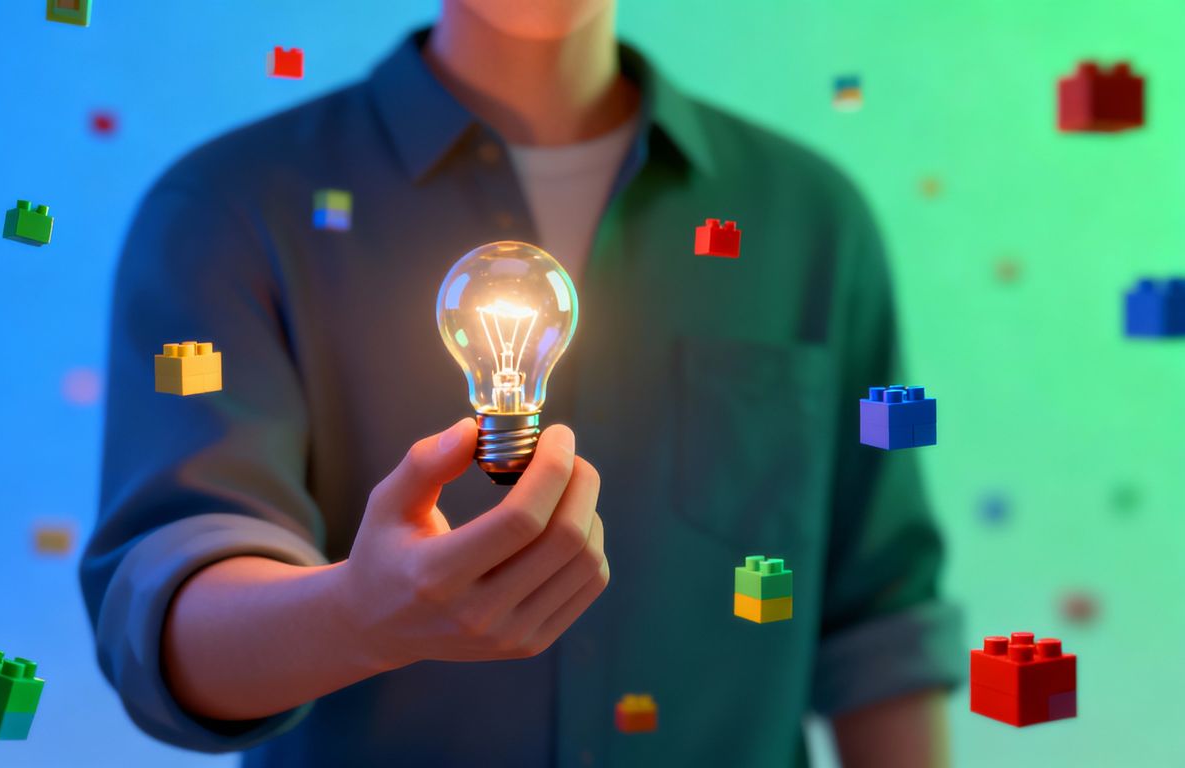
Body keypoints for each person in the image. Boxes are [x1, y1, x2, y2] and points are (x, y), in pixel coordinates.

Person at [80, 0, 962, 765]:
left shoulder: (809, 222)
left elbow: (883, 618)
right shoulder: (229, 211)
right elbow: (164, 606)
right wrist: (359, 614)